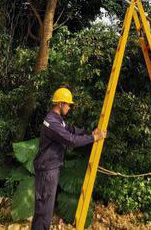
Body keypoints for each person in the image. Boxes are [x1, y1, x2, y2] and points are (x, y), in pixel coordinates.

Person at [32, 86, 106, 230]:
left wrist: (89, 132)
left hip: (50, 168)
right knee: (44, 211)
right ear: (60, 104)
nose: (70, 107)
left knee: (44, 208)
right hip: (47, 170)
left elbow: (71, 130)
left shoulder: (57, 119)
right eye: (68, 104)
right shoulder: (52, 123)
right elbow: (71, 140)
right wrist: (93, 138)